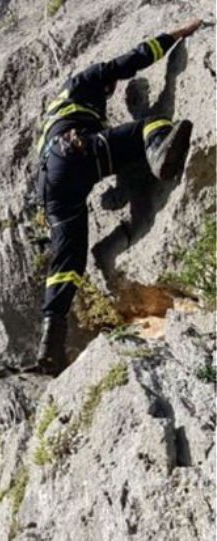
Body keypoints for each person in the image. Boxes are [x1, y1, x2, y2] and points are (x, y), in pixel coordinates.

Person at [33, 18, 203, 375]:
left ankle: (50, 348)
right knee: (152, 126)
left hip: (50, 184)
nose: (110, 90)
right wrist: (177, 34)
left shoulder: (57, 112)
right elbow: (132, 59)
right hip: (73, 151)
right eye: (110, 88)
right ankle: (158, 155)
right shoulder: (83, 81)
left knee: (68, 263)